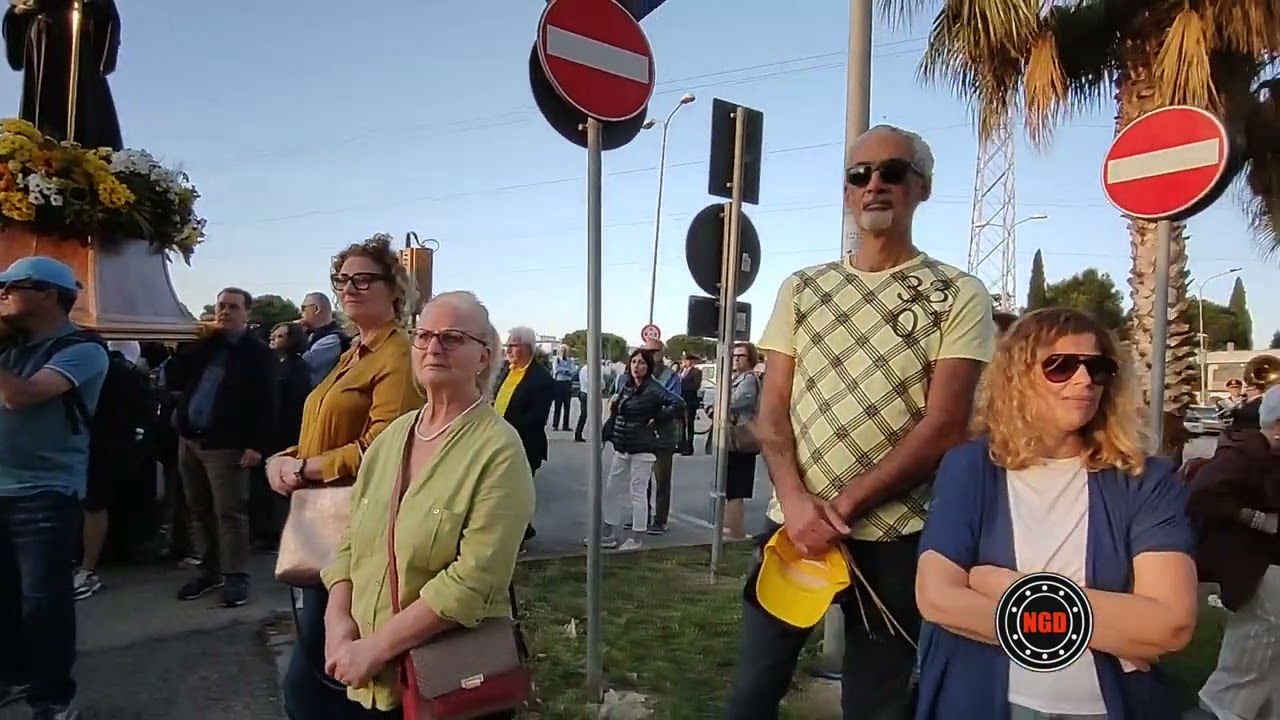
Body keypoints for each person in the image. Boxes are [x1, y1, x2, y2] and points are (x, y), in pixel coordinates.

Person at [727, 124, 993, 719]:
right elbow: (771, 413)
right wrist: (796, 504)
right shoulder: (801, 289)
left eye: (892, 172)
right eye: (859, 174)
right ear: (847, 193)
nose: (874, 185)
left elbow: (946, 425)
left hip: (896, 542)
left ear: (920, 188)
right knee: (750, 694)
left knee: (878, 706)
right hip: (792, 533)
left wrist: (841, 509)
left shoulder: (958, 293)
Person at [915, 307, 1198, 719]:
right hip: (986, 702)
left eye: (1096, 368)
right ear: (1018, 378)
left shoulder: (1145, 479)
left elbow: (1170, 625)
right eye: (1060, 366)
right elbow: (937, 598)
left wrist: (1003, 584)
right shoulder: (971, 468)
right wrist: (1112, 632)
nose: (1083, 380)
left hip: (1105, 707)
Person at [316, 291, 534, 719]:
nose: (433, 347)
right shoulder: (391, 438)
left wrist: (377, 647)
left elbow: (473, 580)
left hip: (445, 685)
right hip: (364, 676)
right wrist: (336, 622)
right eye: (424, 335)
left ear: (484, 356)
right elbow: (350, 538)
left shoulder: (499, 451)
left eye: (452, 338)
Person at [272, 235, 421, 720]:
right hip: (321, 516)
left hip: (357, 520)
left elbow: (383, 444)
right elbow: (322, 429)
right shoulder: (354, 351)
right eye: (342, 280)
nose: (350, 288)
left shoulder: (397, 355)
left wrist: (306, 467)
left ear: (394, 288)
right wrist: (286, 457)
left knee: (323, 664)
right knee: (320, 654)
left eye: (364, 279)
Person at [0, 256, 109, 720]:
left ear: (48, 295)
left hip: (44, 489)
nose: (1, 291)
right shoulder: (9, 347)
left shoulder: (83, 349)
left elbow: (19, 396)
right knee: (5, 597)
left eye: (11, 285)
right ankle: (14, 675)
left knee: (43, 601)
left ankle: (52, 698)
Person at [164, 287, 275, 607]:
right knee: (197, 508)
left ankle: (235, 575)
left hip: (227, 445)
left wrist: (256, 445)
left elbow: (267, 402)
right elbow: (174, 376)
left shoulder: (257, 354)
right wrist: (199, 341)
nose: (225, 312)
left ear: (247, 314)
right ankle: (208, 569)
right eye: (221, 306)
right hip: (191, 440)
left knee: (229, 512)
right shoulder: (205, 347)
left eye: (233, 307)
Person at [1188, 385, 1280, 719]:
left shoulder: (1266, 453)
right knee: (1253, 650)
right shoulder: (1244, 454)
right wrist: (1261, 520)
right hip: (1255, 567)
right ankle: (1220, 711)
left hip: (1265, 565)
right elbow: (1202, 495)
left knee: (1270, 655)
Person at [599, 348, 684, 551]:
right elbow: (617, 413)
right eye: (634, 362)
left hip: (643, 446)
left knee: (637, 491)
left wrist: (658, 418)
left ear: (649, 366)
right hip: (623, 444)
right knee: (612, 488)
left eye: (642, 363)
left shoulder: (653, 388)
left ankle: (637, 538)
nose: (637, 366)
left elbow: (678, 403)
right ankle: (607, 534)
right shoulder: (626, 386)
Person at [493, 326, 554, 548]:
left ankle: (517, 537)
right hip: (499, 443)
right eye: (508, 345)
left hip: (525, 446)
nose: (508, 350)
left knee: (514, 495)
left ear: (526, 348)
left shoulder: (541, 379)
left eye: (513, 345)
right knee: (501, 493)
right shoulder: (507, 371)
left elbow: (536, 419)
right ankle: (522, 530)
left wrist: (504, 428)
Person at [718, 343, 760, 539]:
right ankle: (731, 527)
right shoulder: (737, 378)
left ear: (750, 358)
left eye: (741, 356)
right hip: (733, 438)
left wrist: (720, 406)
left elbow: (737, 402)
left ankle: (736, 531)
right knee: (730, 487)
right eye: (734, 355)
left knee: (736, 488)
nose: (736, 358)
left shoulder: (749, 379)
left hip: (742, 439)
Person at [299, 292, 350, 387]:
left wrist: (294, 339)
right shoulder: (314, 335)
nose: (300, 313)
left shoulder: (333, 339)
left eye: (303, 308)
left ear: (316, 309)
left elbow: (303, 364)